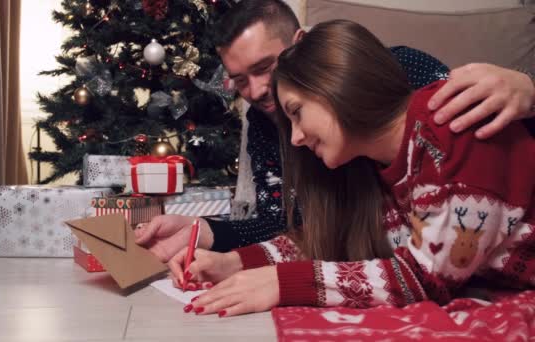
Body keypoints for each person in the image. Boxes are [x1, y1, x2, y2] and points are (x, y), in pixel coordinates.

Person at [169, 19, 535, 318]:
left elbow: (424, 276)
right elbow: (323, 237)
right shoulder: (369, 163)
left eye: (297, 112)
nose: (295, 138)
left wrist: (281, 283)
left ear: (334, 81)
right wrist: (235, 262)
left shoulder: (446, 125)